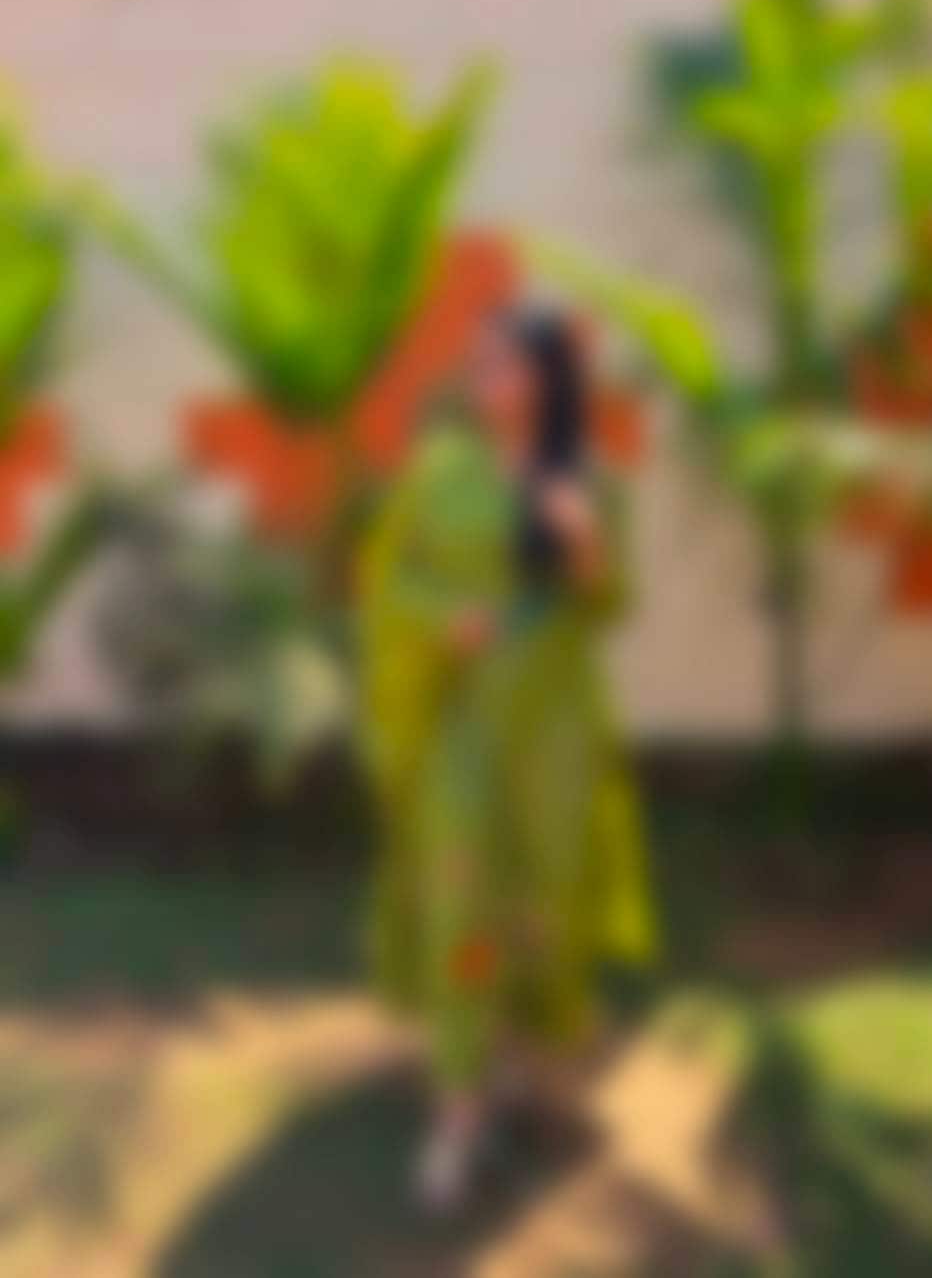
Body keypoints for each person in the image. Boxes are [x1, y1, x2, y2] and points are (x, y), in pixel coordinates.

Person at [358, 307, 659, 1210]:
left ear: (547, 379)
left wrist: (584, 542)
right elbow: (389, 578)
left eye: (503, 362)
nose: (482, 374)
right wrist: (440, 618)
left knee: (547, 894)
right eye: (477, 360)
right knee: (461, 894)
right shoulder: (436, 472)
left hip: (556, 727)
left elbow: (610, 607)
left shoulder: (588, 480)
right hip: (463, 720)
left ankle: (528, 1053)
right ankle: (458, 1104)